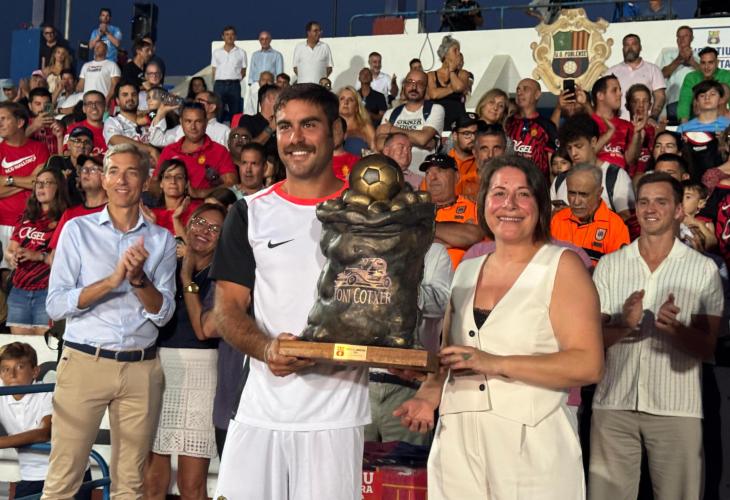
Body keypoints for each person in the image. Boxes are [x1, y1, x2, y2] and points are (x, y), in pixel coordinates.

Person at [395, 154, 604, 499]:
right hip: (458, 439)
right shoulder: (467, 268)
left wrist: (495, 362)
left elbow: (589, 364)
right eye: (499, 193)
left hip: (532, 442)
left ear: (540, 204)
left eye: (523, 194)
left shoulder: (562, 266)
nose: (510, 205)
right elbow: (451, 355)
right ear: (483, 203)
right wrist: (428, 392)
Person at [210, 83, 368, 500]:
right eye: (285, 127)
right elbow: (227, 309)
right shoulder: (248, 213)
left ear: (336, 132)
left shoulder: (368, 216)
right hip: (259, 410)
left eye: (309, 125)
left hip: (335, 415)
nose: (295, 138)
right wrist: (266, 348)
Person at [43, 143, 176, 499]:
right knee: (62, 481)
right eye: (114, 171)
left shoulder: (161, 240)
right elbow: (55, 305)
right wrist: (112, 281)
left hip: (141, 369)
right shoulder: (77, 230)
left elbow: (163, 314)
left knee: (130, 487)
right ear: (103, 179)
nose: (122, 180)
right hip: (85, 362)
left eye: (132, 172)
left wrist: (138, 280)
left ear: (145, 181)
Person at [588, 172, 722, 500]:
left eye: (661, 202)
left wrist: (675, 329)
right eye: (644, 201)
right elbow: (590, 341)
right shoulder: (610, 265)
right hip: (613, 406)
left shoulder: (703, 269)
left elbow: (707, 347)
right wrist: (624, 324)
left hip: (677, 408)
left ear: (678, 210)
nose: (650, 209)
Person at [144, 203, 225, 500]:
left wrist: (188, 279)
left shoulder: (223, 275)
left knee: (191, 486)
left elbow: (204, 329)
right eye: (200, 222)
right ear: (188, 225)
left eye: (214, 229)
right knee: (152, 484)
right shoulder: (167, 264)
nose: (204, 231)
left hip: (202, 372)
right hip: (159, 367)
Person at [0, 343, 92, 499]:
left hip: (69, 472)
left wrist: (2, 442)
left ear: (35, 371)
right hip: (31, 475)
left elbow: (43, 433)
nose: (12, 375)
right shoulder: (2, 396)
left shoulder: (47, 393)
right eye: (5, 369)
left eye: (20, 367)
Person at [5, 167, 69, 334]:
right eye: (38, 183)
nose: (40, 187)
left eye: (47, 183)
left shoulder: (67, 219)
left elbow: (66, 261)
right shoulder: (26, 216)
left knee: (43, 347)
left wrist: (39, 256)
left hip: (47, 291)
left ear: (58, 187)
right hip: (19, 291)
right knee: (20, 346)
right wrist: (12, 257)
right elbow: (10, 249)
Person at [551, 113, 635, 221]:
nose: (573, 153)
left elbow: (628, 218)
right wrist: (555, 215)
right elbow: (547, 219)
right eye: (569, 148)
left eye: (578, 146)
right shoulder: (559, 180)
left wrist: (585, 217)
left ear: (593, 142)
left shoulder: (616, 176)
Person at [0, 102, 50, 271]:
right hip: (3, 224)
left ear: (20, 122)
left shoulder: (39, 148)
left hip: (31, 226)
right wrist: (29, 181)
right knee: (3, 276)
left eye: (4, 119)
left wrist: (7, 179)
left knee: (26, 276)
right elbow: (34, 182)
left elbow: (41, 184)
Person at [550, 163, 630, 267]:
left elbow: (619, 270)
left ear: (599, 193)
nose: (576, 201)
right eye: (572, 193)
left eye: (583, 194)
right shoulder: (557, 219)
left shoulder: (615, 226)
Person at [156, 103, 237, 199]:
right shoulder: (169, 150)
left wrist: (203, 193)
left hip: (206, 206)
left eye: (198, 121)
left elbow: (232, 184)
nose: (193, 127)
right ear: (181, 122)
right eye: (188, 121)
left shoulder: (219, 151)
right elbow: (155, 182)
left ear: (206, 123)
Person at [376, 70, 445, 173]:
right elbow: (380, 144)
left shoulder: (435, 109)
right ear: (404, 86)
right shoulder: (391, 113)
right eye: (410, 82)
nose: (414, 87)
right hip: (394, 175)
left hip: (423, 177)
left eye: (420, 83)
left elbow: (422, 139)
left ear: (426, 88)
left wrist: (391, 129)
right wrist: (421, 141)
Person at [421, 153, 483, 268]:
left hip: (461, 276)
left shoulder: (473, 206)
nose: (432, 178)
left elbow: (471, 236)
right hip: (422, 275)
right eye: (428, 173)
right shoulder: (417, 209)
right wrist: (453, 238)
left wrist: (422, 229)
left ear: (457, 177)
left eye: (440, 170)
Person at [48, 155, 108, 262]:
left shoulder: (116, 211)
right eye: (83, 169)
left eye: (93, 169)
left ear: (106, 177)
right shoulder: (70, 214)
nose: (86, 172)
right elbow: (54, 256)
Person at [505, 78, 559, 177]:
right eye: (518, 90)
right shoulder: (506, 123)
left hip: (538, 183)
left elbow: (552, 162)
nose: (520, 93)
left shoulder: (547, 126)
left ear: (537, 94)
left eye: (525, 89)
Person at [606, 34, 666, 122]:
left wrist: (653, 117)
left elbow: (660, 96)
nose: (630, 48)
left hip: (645, 123)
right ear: (623, 49)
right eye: (626, 45)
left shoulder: (653, 69)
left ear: (640, 48)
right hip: (618, 124)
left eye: (634, 44)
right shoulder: (611, 72)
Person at [590, 75, 641, 170]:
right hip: (594, 174)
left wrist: (636, 134)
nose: (620, 94)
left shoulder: (627, 125)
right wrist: (608, 133)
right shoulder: (587, 122)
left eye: (620, 90)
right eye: (614, 90)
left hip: (621, 175)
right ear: (600, 96)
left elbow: (630, 161)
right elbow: (585, 157)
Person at [103, 81, 158, 160]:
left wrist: (150, 90)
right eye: (125, 95)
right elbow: (116, 140)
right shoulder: (112, 121)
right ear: (117, 100)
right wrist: (150, 150)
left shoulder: (148, 116)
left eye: (134, 94)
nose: (130, 98)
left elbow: (158, 113)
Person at [149, 159, 199, 241]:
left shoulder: (197, 212)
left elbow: (190, 247)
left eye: (179, 177)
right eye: (167, 177)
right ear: (161, 183)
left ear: (186, 184)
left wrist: (176, 219)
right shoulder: (152, 215)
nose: (173, 181)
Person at [427, 36, 470, 130]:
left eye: (459, 51)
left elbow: (458, 87)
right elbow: (433, 94)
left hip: (457, 122)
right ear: (445, 54)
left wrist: (451, 71)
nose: (458, 54)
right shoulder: (431, 75)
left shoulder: (463, 73)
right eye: (455, 50)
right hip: (437, 121)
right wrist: (451, 88)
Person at [659, 26, 700, 123]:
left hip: (695, 104)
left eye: (685, 36)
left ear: (692, 38)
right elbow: (660, 75)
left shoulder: (699, 57)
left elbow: (708, 77)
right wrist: (678, 60)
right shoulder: (667, 53)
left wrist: (693, 63)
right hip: (672, 103)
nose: (682, 39)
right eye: (679, 37)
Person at [677, 47, 730, 122]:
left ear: (717, 62)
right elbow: (684, 102)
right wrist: (684, 125)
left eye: (710, 62)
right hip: (697, 120)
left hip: (722, 120)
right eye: (703, 63)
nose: (706, 67)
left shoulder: (727, 76)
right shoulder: (691, 77)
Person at [212, 25, 247, 123]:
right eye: (227, 34)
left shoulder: (241, 52)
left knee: (235, 112)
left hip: (234, 85)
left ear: (235, 37)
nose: (230, 37)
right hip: (219, 85)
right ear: (222, 37)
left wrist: (234, 79)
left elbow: (243, 71)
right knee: (218, 111)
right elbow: (214, 70)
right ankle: (216, 130)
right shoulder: (216, 52)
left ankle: (234, 131)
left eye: (232, 34)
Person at [624, 83, 656, 177]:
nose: (641, 105)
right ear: (627, 106)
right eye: (635, 101)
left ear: (650, 105)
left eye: (645, 101)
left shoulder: (656, 129)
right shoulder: (622, 128)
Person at [77, 42, 121, 108]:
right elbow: (80, 86)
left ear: (106, 50)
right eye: (95, 47)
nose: (96, 48)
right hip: (87, 103)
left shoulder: (112, 65)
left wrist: (107, 99)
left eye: (100, 46)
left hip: (103, 103)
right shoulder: (86, 66)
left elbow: (115, 85)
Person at [65, 91, 108, 155]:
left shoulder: (113, 129)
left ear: (105, 107)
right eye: (89, 103)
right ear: (84, 109)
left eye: (98, 103)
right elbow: (65, 154)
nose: (94, 107)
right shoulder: (73, 129)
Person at [449, 112, 479, 201]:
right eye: (467, 133)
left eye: (476, 133)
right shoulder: (441, 166)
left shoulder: (486, 162)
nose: (473, 138)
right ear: (455, 136)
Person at [26, 88, 64, 156]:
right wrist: (34, 127)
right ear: (30, 106)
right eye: (38, 104)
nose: (42, 108)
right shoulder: (22, 125)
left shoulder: (60, 125)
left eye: (46, 104)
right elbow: (14, 143)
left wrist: (60, 137)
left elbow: (63, 157)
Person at [338, 86, 375, 155]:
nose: (346, 102)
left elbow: (376, 153)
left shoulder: (366, 127)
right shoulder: (330, 125)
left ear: (357, 107)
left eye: (350, 100)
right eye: (342, 99)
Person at [682, 180, 716, 251]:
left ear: (700, 203)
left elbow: (712, 245)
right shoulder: (670, 220)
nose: (681, 200)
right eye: (678, 196)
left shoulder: (706, 225)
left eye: (687, 197)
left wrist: (700, 225)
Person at [331, 117, 360, 182]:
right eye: (331, 131)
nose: (333, 135)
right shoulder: (318, 160)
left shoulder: (356, 161)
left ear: (345, 135)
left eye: (337, 131)